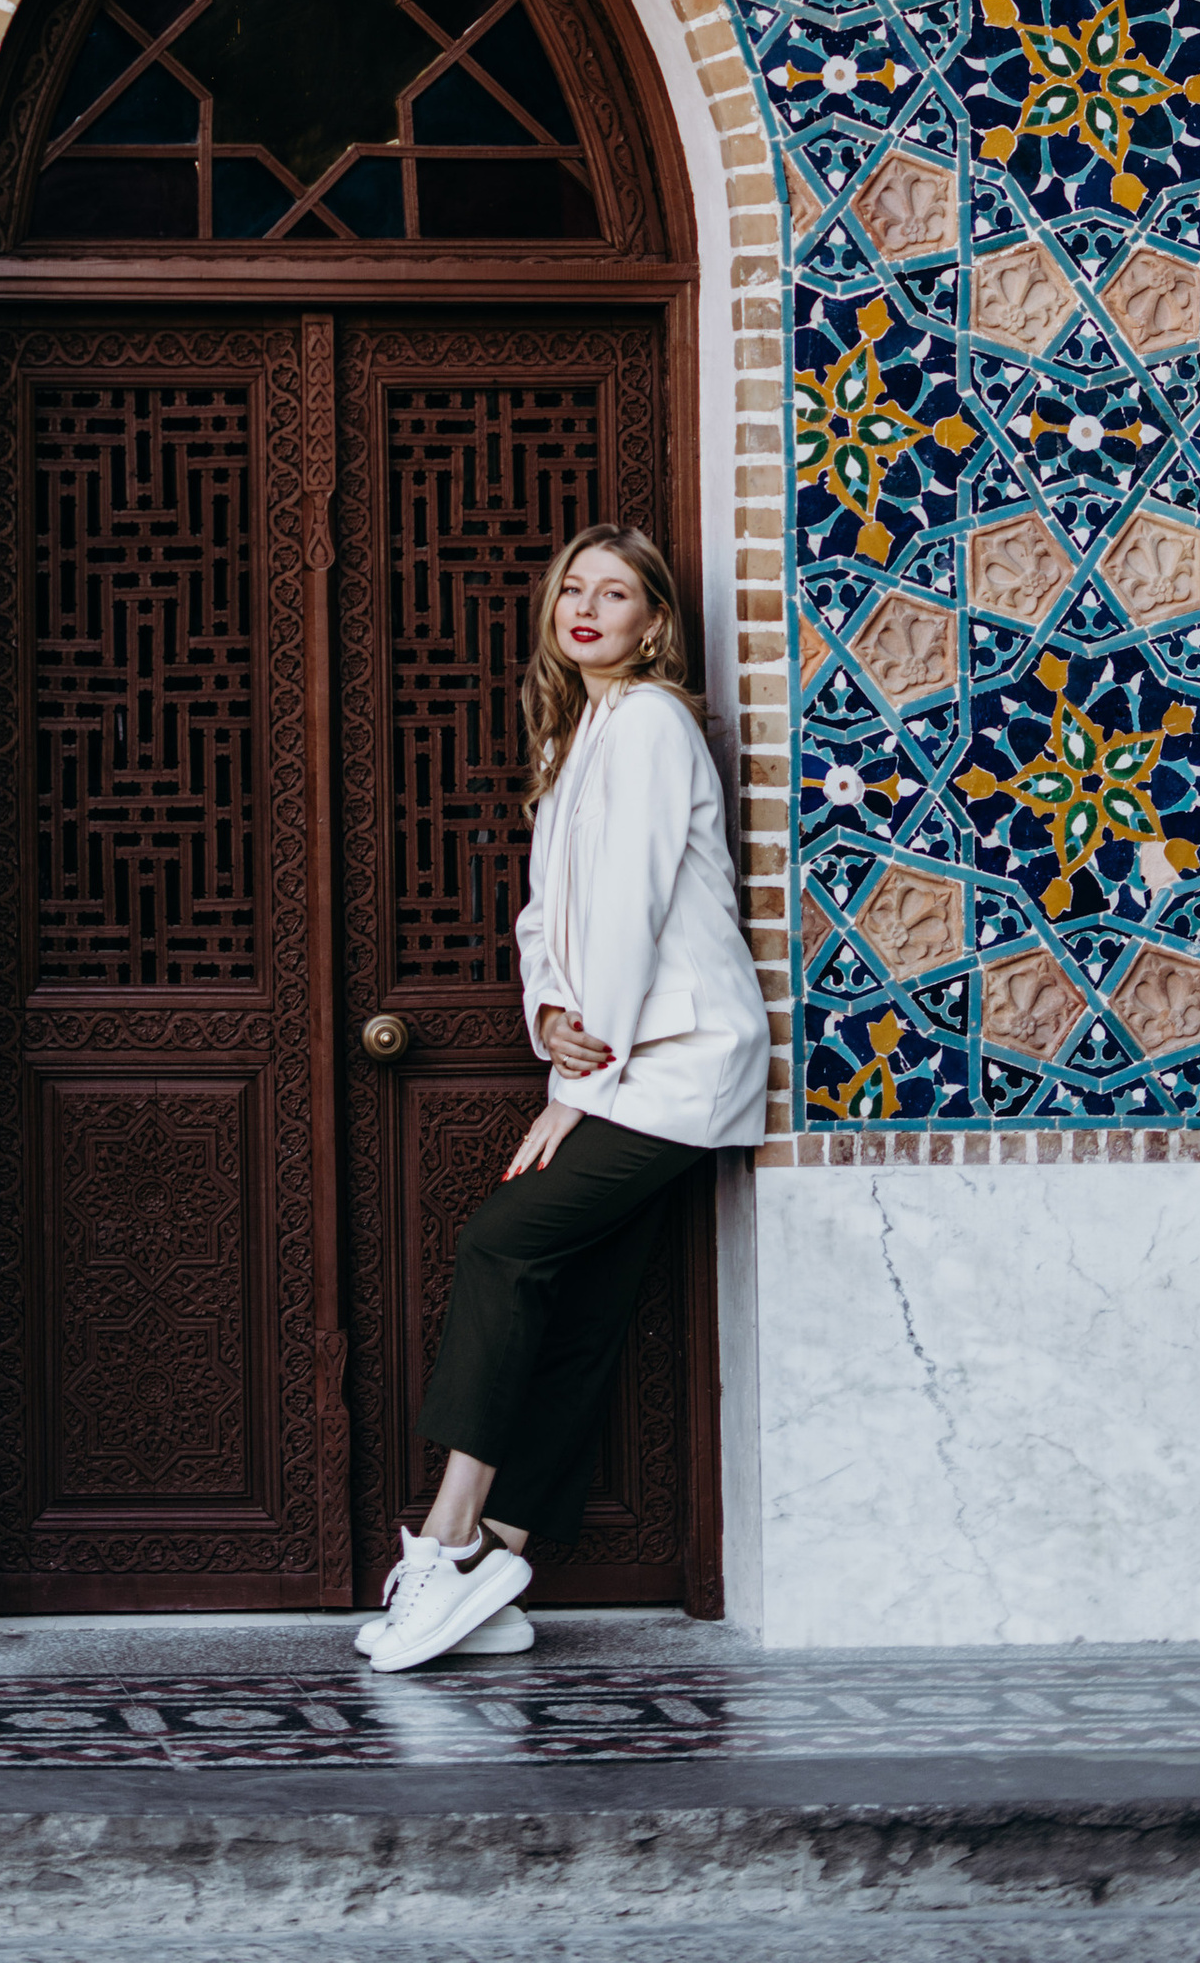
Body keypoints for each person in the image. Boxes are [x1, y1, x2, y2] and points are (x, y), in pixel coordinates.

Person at [358, 526, 769, 1675]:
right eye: (572, 590)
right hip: (622, 1056)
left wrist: (573, 1090)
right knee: (584, 1302)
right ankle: (498, 1566)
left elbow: (631, 910)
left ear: (654, 622)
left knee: (502, 1241)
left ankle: (449, 1541)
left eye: (615, 593)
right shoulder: (577, 731)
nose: (586, 607)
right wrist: (545, 1011)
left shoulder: (650, 723)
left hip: (678, 1064)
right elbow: (548, 918)